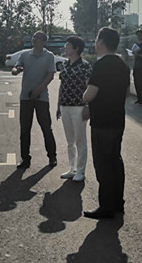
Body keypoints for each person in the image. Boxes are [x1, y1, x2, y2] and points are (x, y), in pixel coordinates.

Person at [82, 27, 131, 219]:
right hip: (117, 118)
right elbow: (126, 92)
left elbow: (89, 94)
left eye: (96, 39)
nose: (95, 43)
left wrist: (85, 94)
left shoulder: (101, 65)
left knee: (103, 164)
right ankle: (118, 202)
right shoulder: (122, 64)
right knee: (115, 161)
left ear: (101, 42)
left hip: (102, 121)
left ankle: (106, 206)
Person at [11, 31, 57, 169]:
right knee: (25, 129)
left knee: (46, 127)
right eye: (34, 37)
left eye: (38, 38)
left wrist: (38, 90)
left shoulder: (49, 56)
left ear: (44, 42)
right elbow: (16, 67)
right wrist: (16, 70)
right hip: (26, 97)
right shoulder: (25, 55)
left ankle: (52, 156)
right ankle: (25, 159)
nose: (35, 39)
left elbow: (50, 75)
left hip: (41, 98)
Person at [57, 36, 92, 182]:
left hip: (79, 106)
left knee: (80, 140)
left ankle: (81, 171)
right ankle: (72, 169)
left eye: (68, 45)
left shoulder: (85, 66)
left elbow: (89, 86)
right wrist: (58, 105)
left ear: (76, 48)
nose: (65, 48)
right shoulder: (65, 64)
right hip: (65, 105)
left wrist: (87, 106)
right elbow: (62, 85)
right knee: (69, 141)